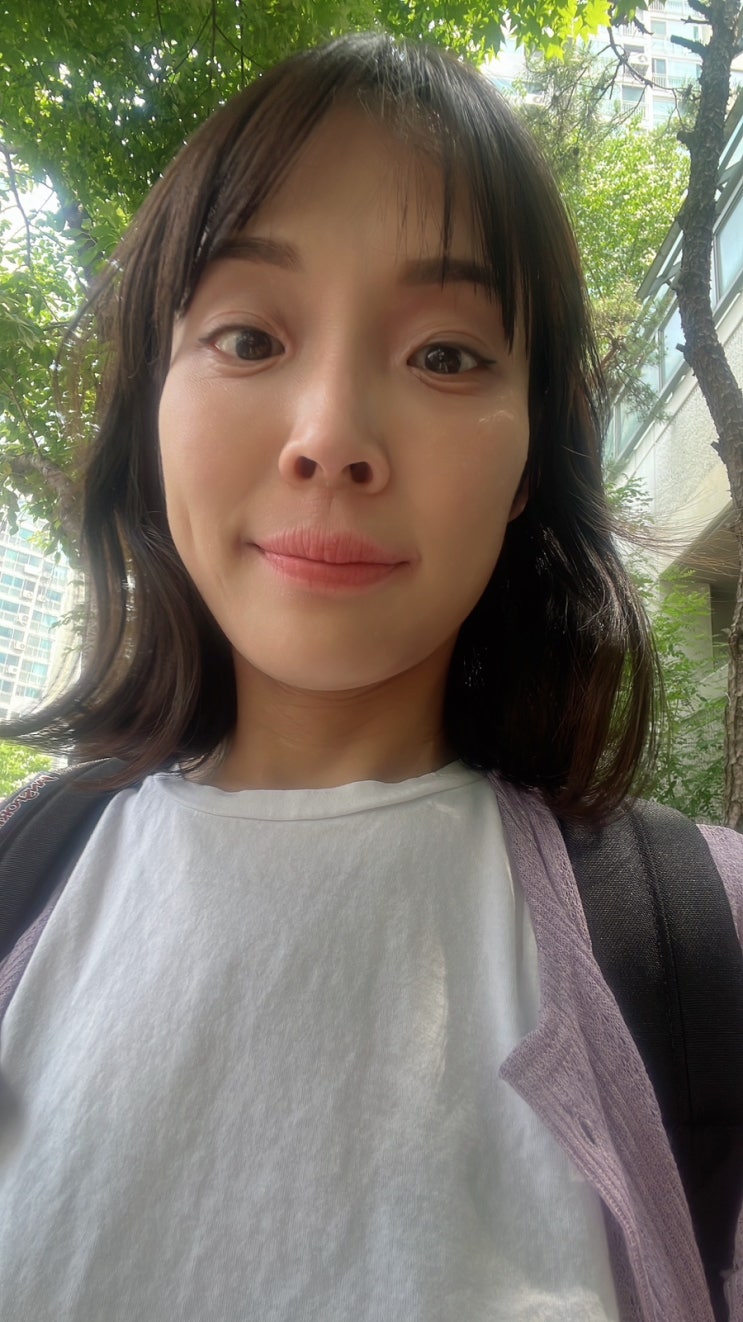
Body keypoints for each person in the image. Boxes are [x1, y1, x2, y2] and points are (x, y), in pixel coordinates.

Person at [0, 31, 739, 1322]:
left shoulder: (708, 938)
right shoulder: (22, 882)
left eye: (446, 354)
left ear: (531, 459)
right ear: (152, 411)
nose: (331, 435)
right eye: (247, 336)